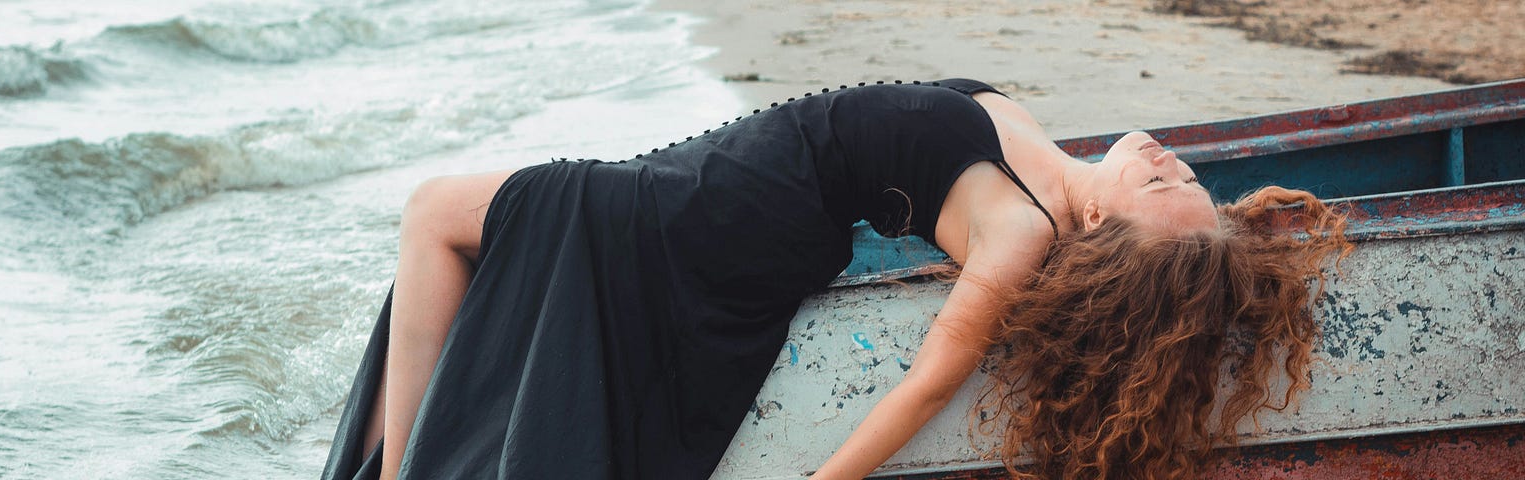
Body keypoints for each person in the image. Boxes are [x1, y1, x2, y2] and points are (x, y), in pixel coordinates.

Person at [319, 79, 1350, 480]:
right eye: (1185, 175)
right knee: (447, 233)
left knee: (433, 219)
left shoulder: (1019, 228)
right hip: (698, 182)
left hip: (690, 222)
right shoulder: (1041, 159)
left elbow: (933, 377)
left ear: (1106, 231)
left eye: (1159, 187)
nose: (1171, 160)